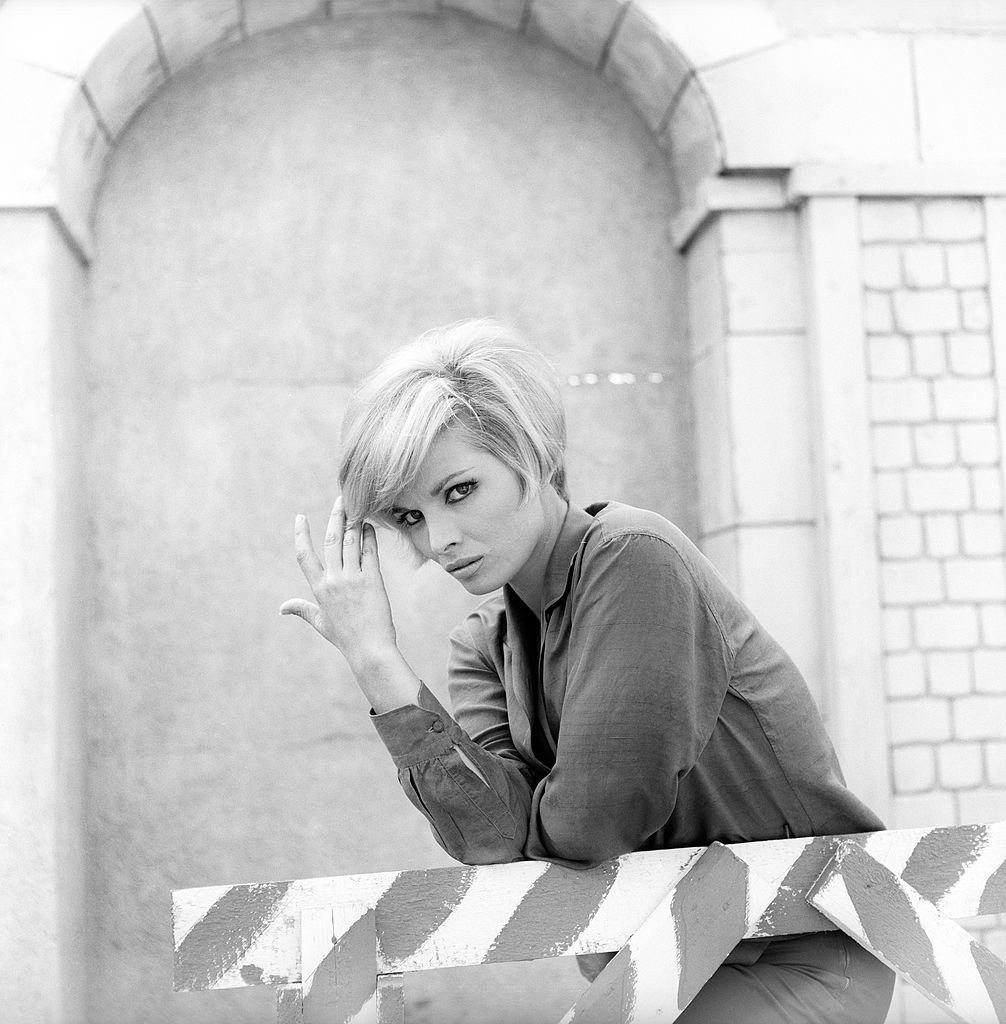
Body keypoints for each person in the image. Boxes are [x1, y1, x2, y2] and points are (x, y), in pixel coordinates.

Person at [280, 318, 895, 1021]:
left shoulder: (635, 559)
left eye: (458, 491)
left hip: (794, 947)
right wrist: (375, 660)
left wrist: (529, 820)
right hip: (652, 957)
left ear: (532, 454)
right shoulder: (481, 643)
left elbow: (590, 829)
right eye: (409, 518)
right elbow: (489, 843)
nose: (439, 540)